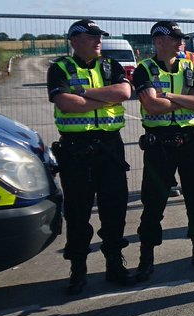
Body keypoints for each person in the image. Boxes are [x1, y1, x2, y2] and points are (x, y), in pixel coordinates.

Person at [47, 19, 135, 295]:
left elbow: (124, 92)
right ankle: (78, 269)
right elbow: (64, 102)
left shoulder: (111, 66)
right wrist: (105, 98)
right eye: (91, 36)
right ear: (74, 40)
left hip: (109, 147)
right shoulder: (60, 67)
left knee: (115, 210)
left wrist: (83, 94)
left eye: (99, 36)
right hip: (76, 149)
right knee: (77, 213)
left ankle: (114, 265)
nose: (98, 41)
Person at [132, 21, 194, 281]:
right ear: (159, 41)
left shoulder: (190, 66)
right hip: (159, 144)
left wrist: (167, 96)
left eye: (183, 39)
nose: (182, 43)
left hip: (190, 141)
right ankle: (146, 258)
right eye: (176, 39)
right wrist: (183, 100)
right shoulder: (144, 69)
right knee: (154, 202)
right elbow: (153, 108)